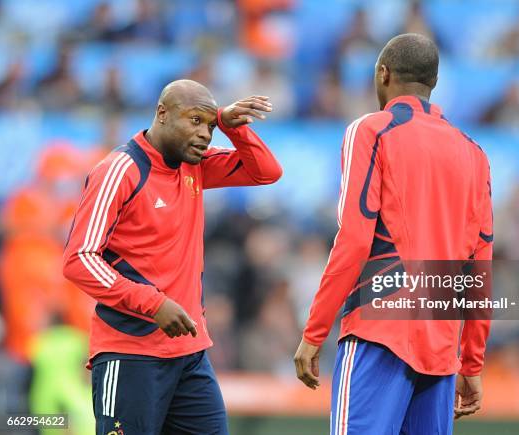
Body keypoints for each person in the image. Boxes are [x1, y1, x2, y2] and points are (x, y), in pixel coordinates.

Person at [293, 34, 492, 434]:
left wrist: (315, 330)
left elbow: (353, 238)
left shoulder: (371, 131)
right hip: (440, 344)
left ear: (383, 74)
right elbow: (479, 267)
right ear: (431, 82)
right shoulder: (474, 153)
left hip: (378, 332)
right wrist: (471, 362)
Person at [63, 79, 282, 434]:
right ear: (162, 114)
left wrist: (230, 126)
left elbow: (266, 172)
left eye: (210, 126)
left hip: (189, 355)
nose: (205, 135)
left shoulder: (193, 164)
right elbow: (79, 258)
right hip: (130, 352)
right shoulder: (119, 170)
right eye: (195, 120)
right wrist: (153, 303)